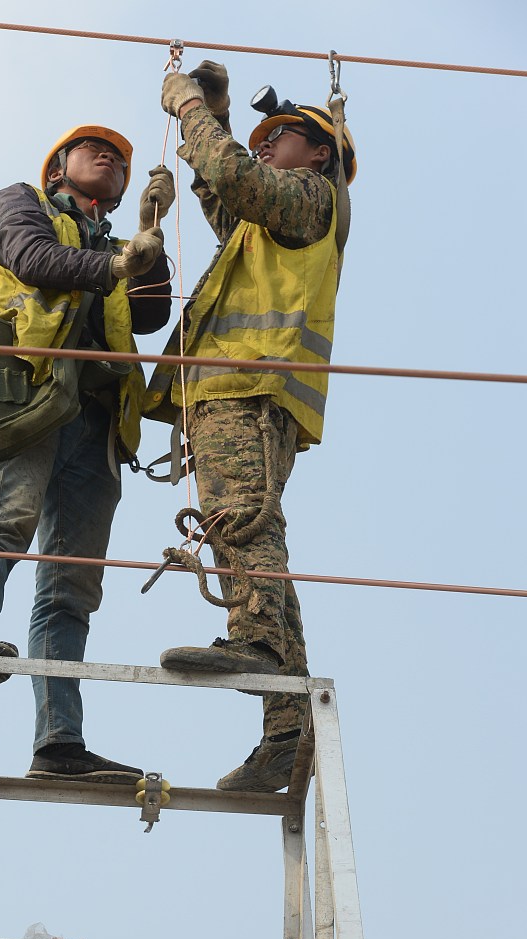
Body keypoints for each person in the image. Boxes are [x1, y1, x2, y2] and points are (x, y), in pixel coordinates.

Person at [0, 124, 174, 784]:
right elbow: (33, 260)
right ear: (57, 168)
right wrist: (117, 264)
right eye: (93, 148)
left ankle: (58, 742)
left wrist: (149, 237)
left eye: (122, 159)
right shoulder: (21, 204)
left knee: (70, 586)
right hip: (32, 395)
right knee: (0, 526)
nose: (111, 157)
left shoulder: (118, 242)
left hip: (96, 419)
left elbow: (150, 312)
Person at [153, 63, 356, 792]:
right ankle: (284, 727)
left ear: (320, 155)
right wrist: (216, 112)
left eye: (283, 138)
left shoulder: (310, 199)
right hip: (232, 383)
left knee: (241, 520)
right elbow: (223, 186)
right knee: (253, 533)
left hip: (252, 380)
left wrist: (187, 111)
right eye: (261, 140)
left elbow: (235, 176)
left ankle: (256, 644)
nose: (267, 148)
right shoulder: (269, 220)